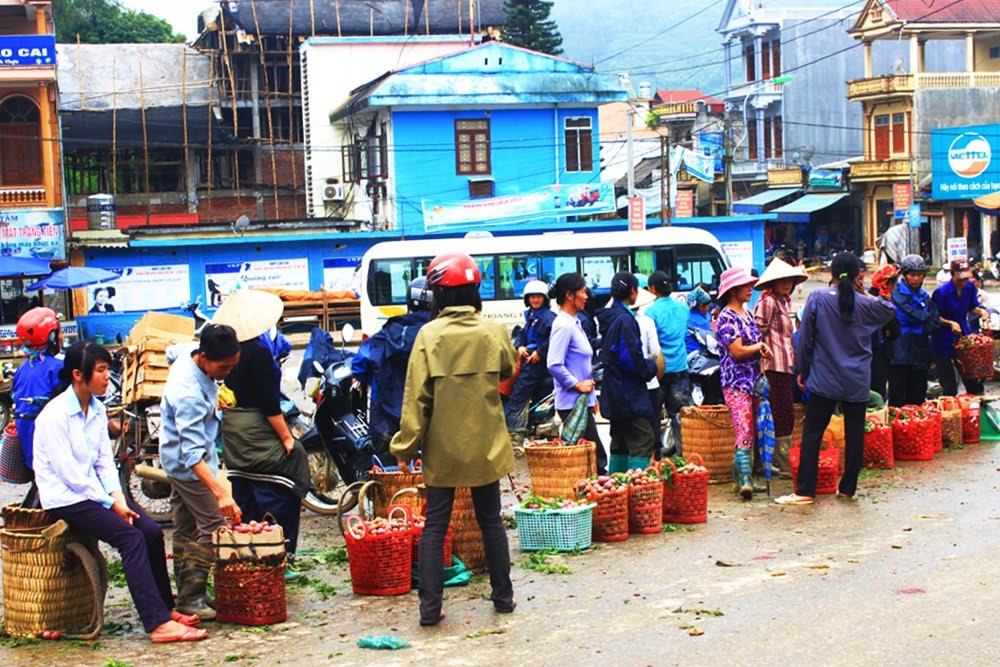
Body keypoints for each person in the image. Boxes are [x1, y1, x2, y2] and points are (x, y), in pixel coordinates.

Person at [33, 342, 206, 642]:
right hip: (67, 498)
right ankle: (156, 624)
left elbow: (103, 462)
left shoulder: (97, 409)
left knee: (151, 531)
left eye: (106, 370)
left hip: (96, 494)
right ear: (78, 374)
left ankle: (165, 609)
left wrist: (118, 498)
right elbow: (70, 475)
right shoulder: (55, 416)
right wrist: (109, 503)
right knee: (130, 538)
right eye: (100, 371)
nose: (105, 377)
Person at [390, 252, 516, 626]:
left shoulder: (429, 336)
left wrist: (405, 447)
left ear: (437, 295)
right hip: (486, 447)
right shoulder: (493, 332)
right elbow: (509, 368)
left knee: (435, 527)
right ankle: (503, 598)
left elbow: (416, 399)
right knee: (491, 522)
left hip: (442, 450)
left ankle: (430, 610)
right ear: (474, 290)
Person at [777, 253, 896, 505]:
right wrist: (866, 291)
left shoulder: (818, 298)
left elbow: (805, 338)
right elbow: (889, 310)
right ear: (858, 275)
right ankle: (847, 489)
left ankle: (805, 491)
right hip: (857, 380)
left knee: (813, 435)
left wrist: (802, 370)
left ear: (831, 272)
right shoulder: (865, 303)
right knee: (855, 435)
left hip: (824, 379)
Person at [215, 290, 311, 561]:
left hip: (234, 430)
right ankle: (278, 554)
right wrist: (287, 438)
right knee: (283, 483)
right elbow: (270, 404)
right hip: (256, 429)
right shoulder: (256, 351)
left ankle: (249, 554)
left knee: (246, 494)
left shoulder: (233, 349)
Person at [160, 324, 243, 621]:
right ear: (205, 357)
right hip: (189, 468)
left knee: (185, 528)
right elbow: (192, 454)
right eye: (224, 367)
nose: (227, 373)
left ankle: (188, 593)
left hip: (179, 458)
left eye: (233, 366)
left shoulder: (188, 352)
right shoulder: (188, 394)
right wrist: (220, 493)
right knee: (213, 528)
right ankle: (191, 598)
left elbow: (172, 350)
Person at [352, 277, 432, 452]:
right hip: (432, 425)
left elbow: (359, 367)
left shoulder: (387, 333)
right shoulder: (440, 335)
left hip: (387, 426)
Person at [715, 267, 772, 499]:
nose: (750, 289)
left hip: (753, 381)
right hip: (736, 383)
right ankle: (745, 479)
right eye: (745, 286)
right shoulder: (727, 317)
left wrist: (761, 353)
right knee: (744, 429)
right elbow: (737, 351)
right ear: (732, 290)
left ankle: (742, 479)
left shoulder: (746, 314)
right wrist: (758, 347)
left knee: (749, 429)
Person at [595, 272, 658, 473]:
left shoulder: (608, 317)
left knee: (620, 442)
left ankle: (617, 491)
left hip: (613, 392)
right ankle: (637, 495)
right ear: (632, 291)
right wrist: (650, 368)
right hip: (629, 394)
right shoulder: (625, 321)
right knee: (643, 439)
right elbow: (631, 360)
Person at [547, 273, 608, 474]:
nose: (586, 296)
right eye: (582, 291)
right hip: (572, 403)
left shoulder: (574, 322)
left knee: (592, 457)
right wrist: (576, 384)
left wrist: (591, 397)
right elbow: (554, 363)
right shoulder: (563, 325)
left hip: (582, 401)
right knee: (595, 457)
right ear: (570, 296)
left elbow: (580, 364)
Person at [753, 259, 808, 476]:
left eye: (789, 280)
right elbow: (757, 335)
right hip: (772, 367)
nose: (786, 284)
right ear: (772, 283)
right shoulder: (768, 303)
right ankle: (780, 462)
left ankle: (772, 461)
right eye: (782, 281)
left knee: (782, 414)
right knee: (780, 414)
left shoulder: (785, 302)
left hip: (786, 366)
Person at [11, 307, 63, 508]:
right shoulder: (58, 367)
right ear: (50, 336)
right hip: (45, 433)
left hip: (27, 432)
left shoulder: (23, 367)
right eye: (58, 332)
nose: (61, 336)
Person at [644, 271, 692, 454]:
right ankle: (684, 456)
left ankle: (656, 457)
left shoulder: (651, 311)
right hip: (680, 366)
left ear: (652, 289)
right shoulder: (683, 308)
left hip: (660, 370)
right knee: (680, 415)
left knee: (654, 415)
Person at [504, 280, 556, 450]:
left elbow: (552, 338)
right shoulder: (532, 316)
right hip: (530, 363)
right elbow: (523, 334)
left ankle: (515, 441)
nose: (535, 300)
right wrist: (519, 346)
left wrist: (539, 352)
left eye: (538, 297)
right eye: (532, 297)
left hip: (536, 366)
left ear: (545, 298)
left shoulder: (547, 317)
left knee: (518, 400)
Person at [889, 255, 939, 407]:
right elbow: (909, 315)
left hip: (920, 349)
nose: (916, 279)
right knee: (898, 395)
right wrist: (924, 319)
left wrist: (924, 322)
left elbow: (934, 320)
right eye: (912, 275)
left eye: (919, 275)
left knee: (918, 396)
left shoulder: (924, 296)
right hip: (900, 349)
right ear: (904, 275)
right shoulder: (896, 293)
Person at [931, 259, 985, 396]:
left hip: (962, 336)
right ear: (952, 274)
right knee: (949, 385)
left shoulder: (970, 288)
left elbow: (972, 307)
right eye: (960, 279)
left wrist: (981, 312)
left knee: (972, 379)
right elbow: (933, 317)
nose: (964, 282)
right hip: (942, 339)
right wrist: (950, 323)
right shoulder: (941, 293)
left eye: (966, 278)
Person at [633, 286, 664, 449]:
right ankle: (655, 461)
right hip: (650, 382)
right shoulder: (646, 322)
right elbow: (655, 352)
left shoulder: (617, 321)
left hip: (629, 385)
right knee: (653, 425)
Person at [869, 264, 901, 401]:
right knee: (877, 395)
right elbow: (894, 329)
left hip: (862, 353)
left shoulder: (865, 296)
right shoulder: (884, 301)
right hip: (878, 353)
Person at [685, 287, 714, 355]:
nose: (709, 307)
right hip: (697, 356)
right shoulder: (702, 323)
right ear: (701, 307)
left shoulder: (686, 315)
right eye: (708, 305)